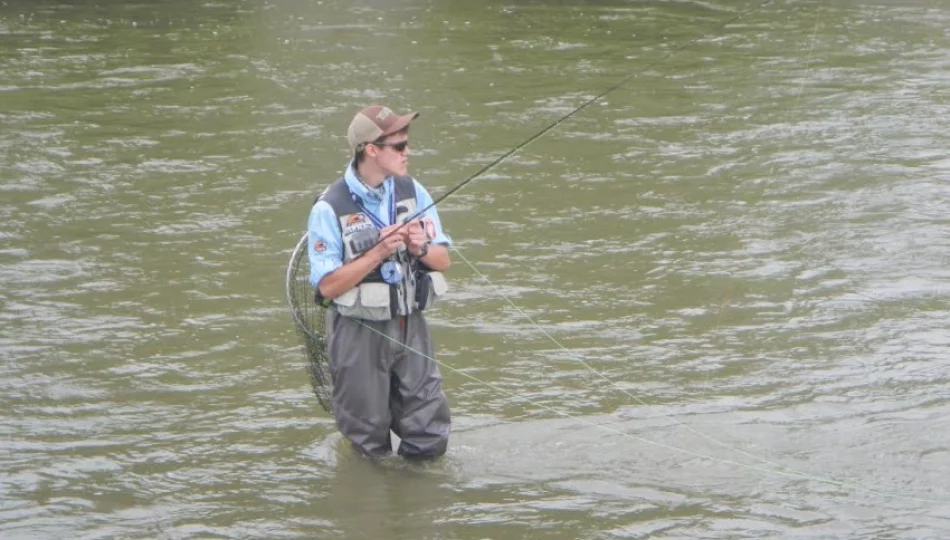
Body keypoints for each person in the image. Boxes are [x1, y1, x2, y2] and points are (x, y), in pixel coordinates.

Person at [307, 104, 453, 459]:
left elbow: (443, 260)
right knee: (367, 440)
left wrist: (418, 247)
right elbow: (326, 288)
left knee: (429, 432)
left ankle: (419, 502)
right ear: (371, 149)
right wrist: (377, 252)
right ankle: (374, 506)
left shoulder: (413, 190)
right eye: (399, 147)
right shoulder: (328, 207)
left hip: (410, 324)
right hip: (358, 333)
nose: (408, 153)